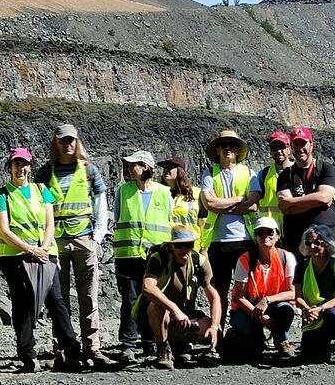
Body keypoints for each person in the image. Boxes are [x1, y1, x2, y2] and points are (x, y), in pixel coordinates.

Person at [0, 147, 80, 373]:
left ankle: (71, 349)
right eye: (16, 164)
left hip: (45, 255)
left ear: (30, 166)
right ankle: (27, 355)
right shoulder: (3, 195)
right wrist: (30, 249)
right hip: (15, 257)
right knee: (22, 303)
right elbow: (3, 230)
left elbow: (50, 223)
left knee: (56, 300)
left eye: (24, 164)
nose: (20, 168)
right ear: (10, 167)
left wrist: (43, 248)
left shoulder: (42, 190)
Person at [36, 124, 112, 368]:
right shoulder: (46, 172)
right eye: (63, 141)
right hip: (56, 242)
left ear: (77, 142)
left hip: (84, 238)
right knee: (59, 299)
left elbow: (101, 201)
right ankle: (64, 349)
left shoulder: (89, 169)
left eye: (71, 140)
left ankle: (93, 347)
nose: (68, 144)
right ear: (55, 144)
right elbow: (36, 205)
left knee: (89, 296)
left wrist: (97, 237)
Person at [112, 151, 172, 363]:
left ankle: (151, 343)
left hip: (155, 257)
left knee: (151, 300)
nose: (129, 169)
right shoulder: (123, 191)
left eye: (134, 165)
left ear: (146, 167)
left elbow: (168, 221)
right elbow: (118, 217)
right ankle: (128, 345)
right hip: (128, 255)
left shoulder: (164, 193)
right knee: (129, 300)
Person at [136, 224, 222, 370]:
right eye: (179, 246)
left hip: (185, 314)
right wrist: (175, 310)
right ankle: (163, 347)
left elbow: (214, 297)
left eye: (188, 245)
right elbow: (148, 287)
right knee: (157, 308)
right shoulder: (159, 258)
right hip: (157, 315)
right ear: (171, 247)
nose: (184, 250)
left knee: (212, 330)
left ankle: (181, 346)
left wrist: (214, 326)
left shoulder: (199, 261)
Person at [200, 130, 255, 319]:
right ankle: (218, 333)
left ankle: (247, 332)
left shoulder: (249, 173)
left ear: (238, 149)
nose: (228, 148)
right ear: (218, 149)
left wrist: (222, 205)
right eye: (224, 145)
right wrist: (240, 199)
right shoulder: (209, 174)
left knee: (246, 289)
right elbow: (210, 204)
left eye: (232, 144)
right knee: (219, 291)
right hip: (218, 242)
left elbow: (253, 205)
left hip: (244, 240)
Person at [227, 216, 298, 359]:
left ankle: (281, 339)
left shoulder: (287, 257)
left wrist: (267, 300)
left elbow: (293, 292)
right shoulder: (245, 260)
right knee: (249, 350)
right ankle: (252, 336)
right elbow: (239, 297)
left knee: (286, 310)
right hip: (248, 308)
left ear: (277, 236)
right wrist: (261, 317)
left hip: (274, 305)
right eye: (261, 232)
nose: (265, 236)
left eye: (270, 232)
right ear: (256, 237)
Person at [295, 224, 335, 363]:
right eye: (309, 243)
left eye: (317, 242)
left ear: (326, 243)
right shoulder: (302, 266)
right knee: (310, 358)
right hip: (312, 315)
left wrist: (321, 308)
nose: (312, 246)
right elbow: (297, 296)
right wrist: (306, 309)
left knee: (332, 314)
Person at [276, 126, 335, 257]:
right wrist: (316, 202)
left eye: (303, 143)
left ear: (311, 145)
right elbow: (285, 207)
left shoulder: (325, 169)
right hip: (296, 241)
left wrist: (293, 201)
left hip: (328, 238)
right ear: (291, 148)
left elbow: (324, 197)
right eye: (296, 144)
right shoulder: (285, 175)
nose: (300, 148)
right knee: (298, 277)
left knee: (330, 276)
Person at [161, 157, 204, 242]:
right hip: (167, 245)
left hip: (191, 245)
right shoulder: (159, 193)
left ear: (180, 171)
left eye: (170, 168)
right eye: (164, 168)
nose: (166, 170)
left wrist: (205, 247)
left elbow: (204, 222)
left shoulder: (197, 193)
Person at [252, 131, 291, 224]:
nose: (278, 151)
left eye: (282, 147)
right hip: (270, 230)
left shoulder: (298, 172)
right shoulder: (263, 175)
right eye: (274, 148)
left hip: (292, 226)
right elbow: (254, 201)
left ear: (289, 148)